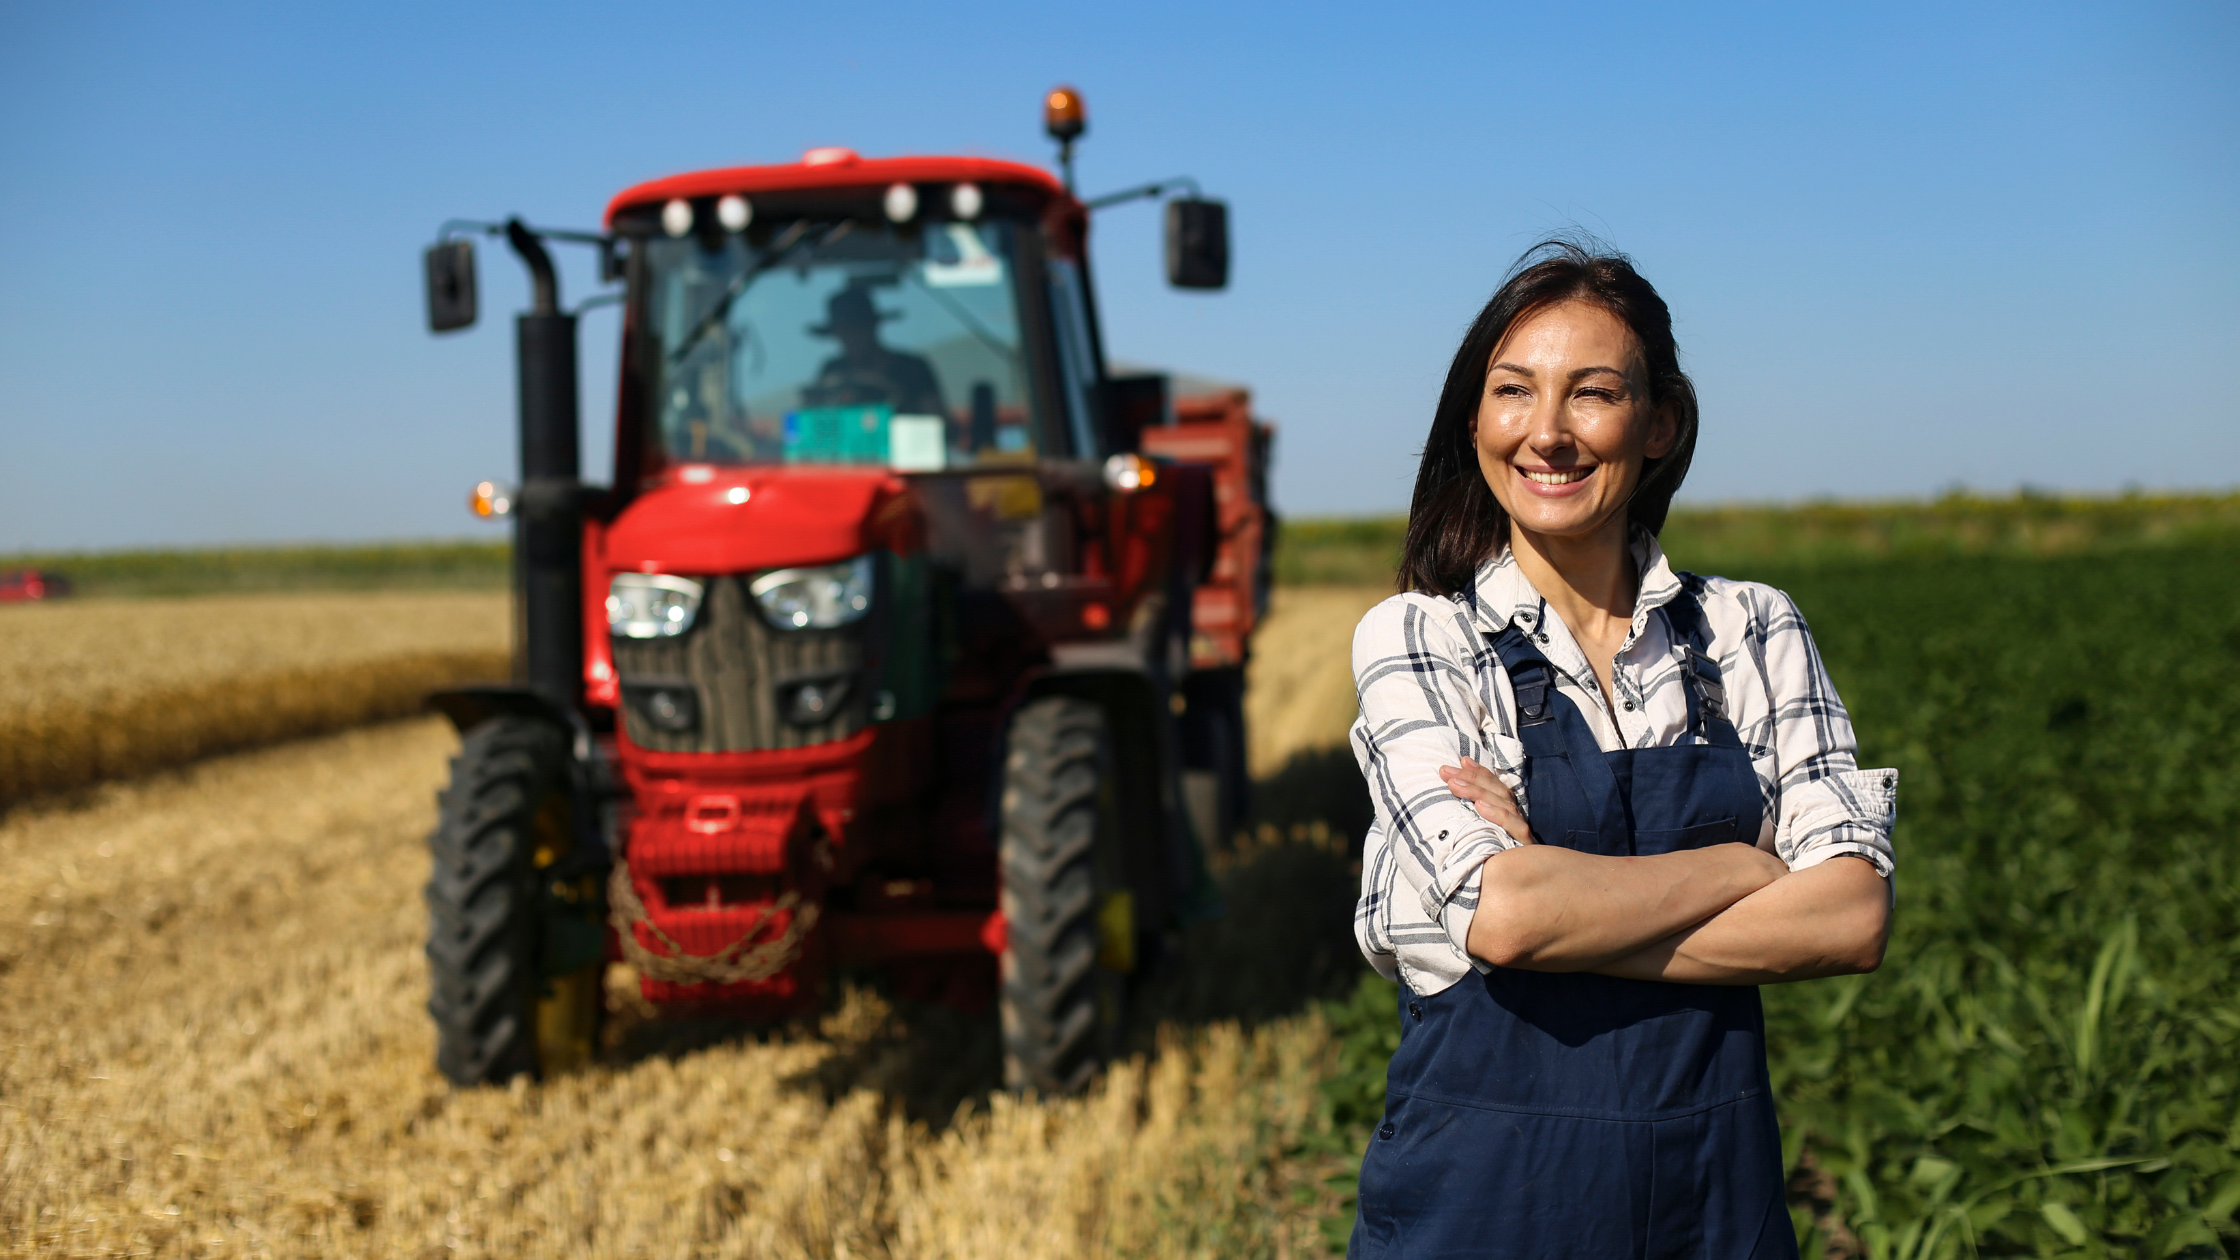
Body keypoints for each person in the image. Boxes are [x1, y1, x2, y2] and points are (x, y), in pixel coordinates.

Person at [1347, 240, 1898, 1258]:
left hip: (1709, 1210)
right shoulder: (1420, 637)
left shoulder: (1753, 628)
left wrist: (1566, 908)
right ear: (1472, 417)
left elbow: (1850, 917)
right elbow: (1504, 917)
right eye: (1511, 390)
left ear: (1659, 425)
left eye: (1592, 394)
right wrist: (1744, 867)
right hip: (1479, 1211)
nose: (1546, 433)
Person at [802, 284, 946, 417]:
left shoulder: (913, 368)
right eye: (844, 331)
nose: (851, 337)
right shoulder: (832, 370)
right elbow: (816, 418)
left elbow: (939, 422)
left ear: (872, 326)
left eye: (857, 328)